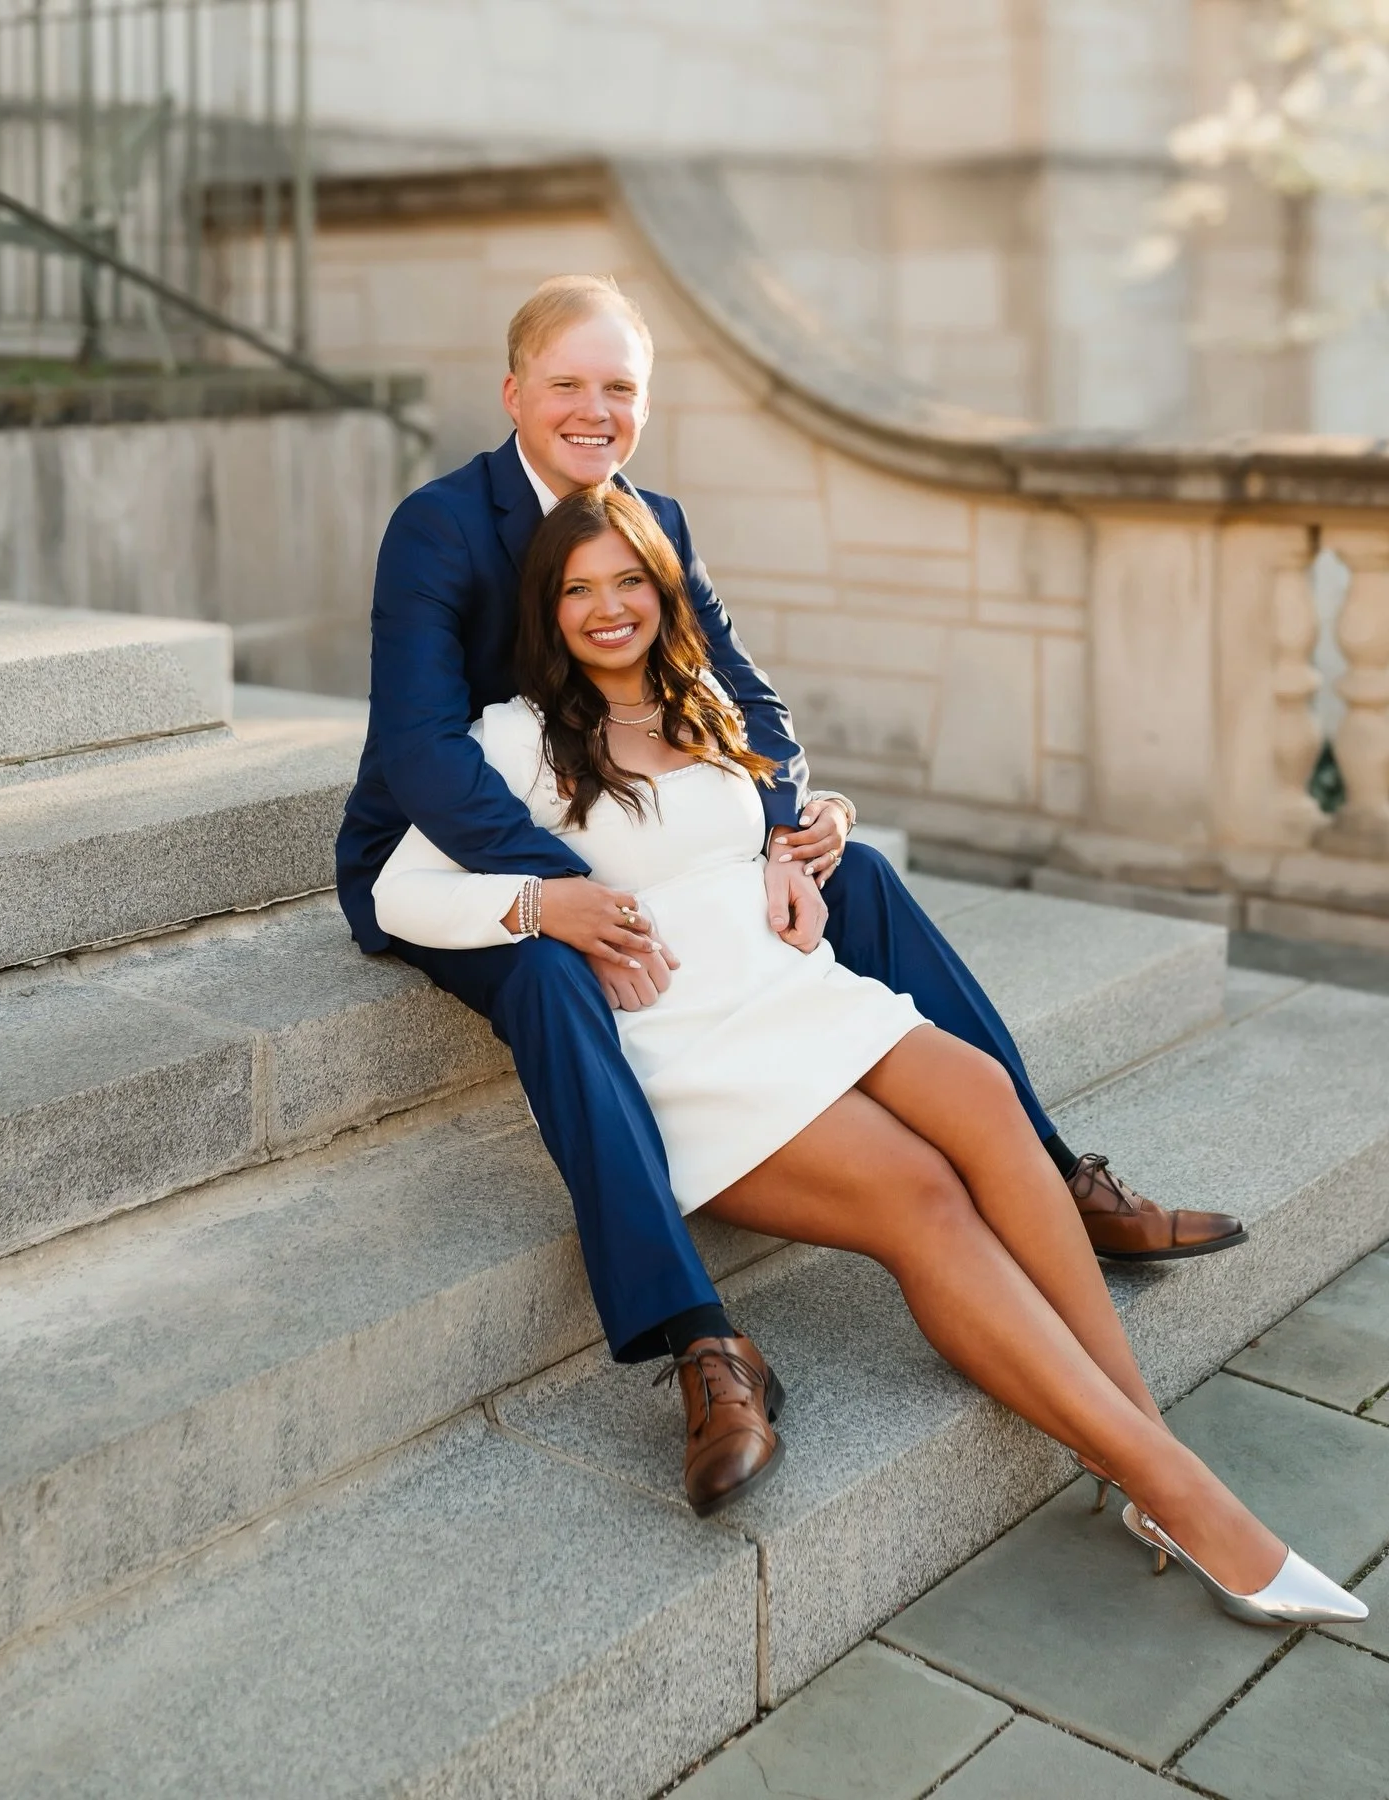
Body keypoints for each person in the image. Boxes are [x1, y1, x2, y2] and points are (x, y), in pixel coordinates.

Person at [369, 482, 1365, 1627]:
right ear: (546, 610)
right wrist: (548, 908)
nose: (607, 609)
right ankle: (1178, 1491)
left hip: (798, 994)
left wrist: (823, 819)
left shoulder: (703, 701)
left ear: (663, 587)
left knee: (985, 1093)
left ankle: (1140, 1445)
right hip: (686, 1041)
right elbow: (402, 891)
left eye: (628, 581)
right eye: (577, 590)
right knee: (922, 1196)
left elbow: (766, 819)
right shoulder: (521, 738)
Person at [335, 273, 1244, 1515]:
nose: (593, 409)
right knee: (558, 970)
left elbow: (749, 704)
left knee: (849, 872)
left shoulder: (652, 519)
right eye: (567, 384)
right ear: (513, 395)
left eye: (620, 388)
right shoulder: (439, 527)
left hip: (637, 815)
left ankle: (1045, 1172)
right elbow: (424, 756)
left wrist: (772, 836)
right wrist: (583, 888)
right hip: (466, 848)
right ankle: (700, 1338)